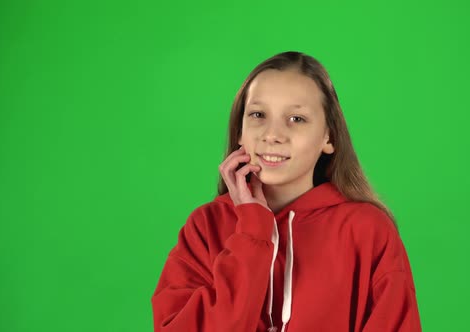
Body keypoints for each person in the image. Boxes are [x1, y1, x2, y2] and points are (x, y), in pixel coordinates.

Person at [151, 51, 422, 332]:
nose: (273, 134)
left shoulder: (368, 229)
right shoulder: (206, 227)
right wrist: (253, 230)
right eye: (258, 114)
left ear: (329, 137)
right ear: (239, 132)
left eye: (296, 119)